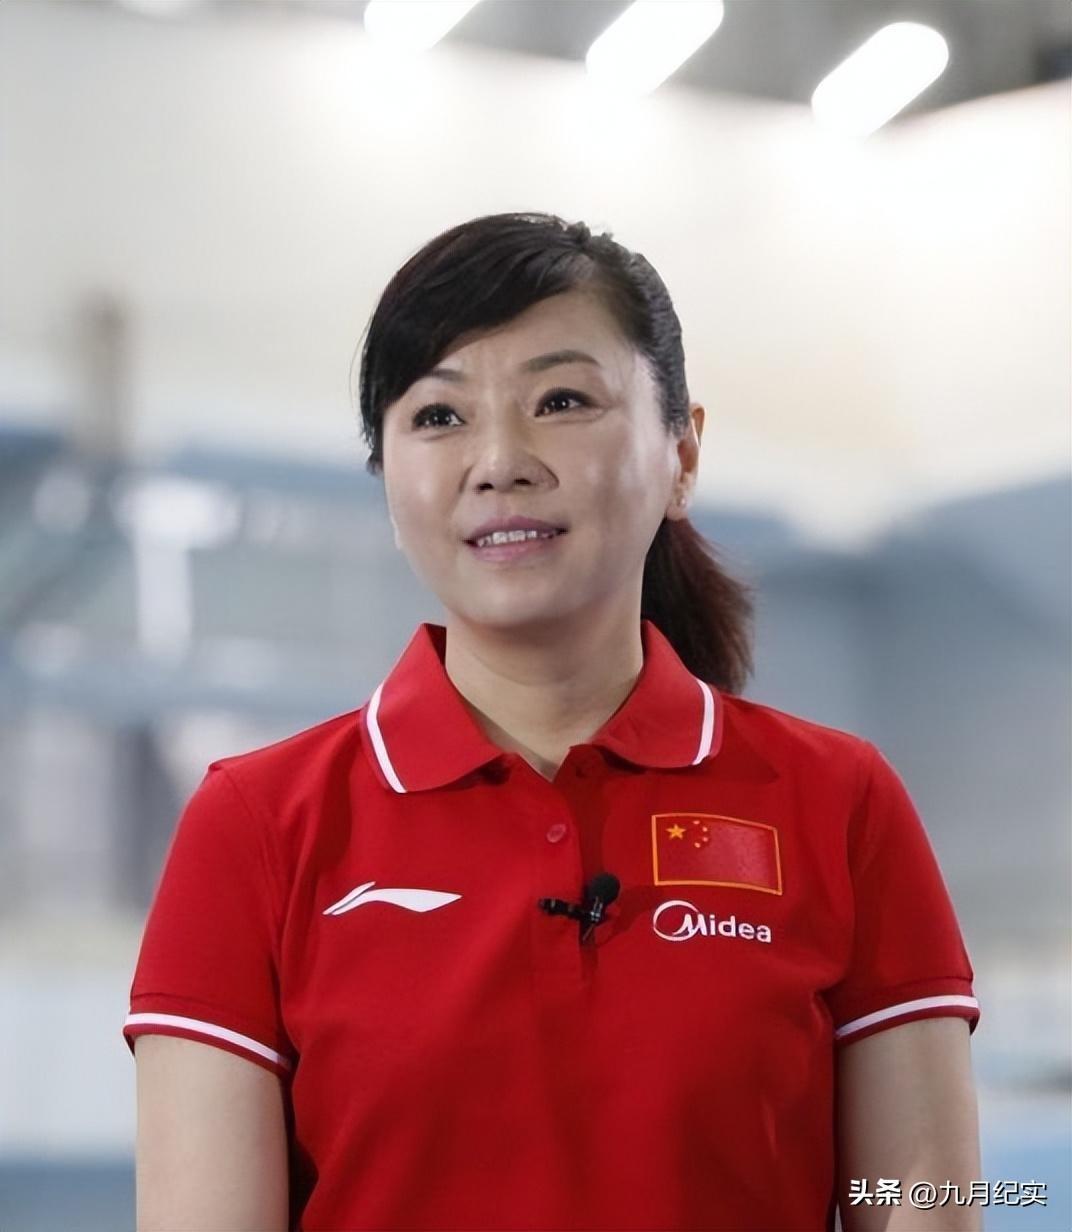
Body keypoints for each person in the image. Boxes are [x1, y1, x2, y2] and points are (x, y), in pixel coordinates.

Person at [124, 211, 983, 1232]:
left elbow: (926, 1205)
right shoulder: (257, 825)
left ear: (681, 454)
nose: (499, 459)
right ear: (387, 479)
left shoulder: (839, 802)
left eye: (562, 400)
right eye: (439, 415)